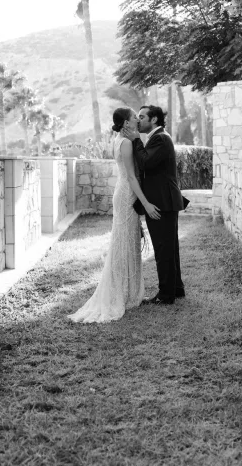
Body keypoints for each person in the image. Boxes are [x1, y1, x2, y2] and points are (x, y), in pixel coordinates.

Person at [68, 107, 161, 323]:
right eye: (133, 118)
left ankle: (128, 291)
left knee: (126, 241)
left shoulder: (118, 140)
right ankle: (122, 293)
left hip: (123, 193)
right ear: (126, 123)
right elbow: (131, 176)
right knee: (124, 243)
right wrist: (146, 203)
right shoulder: (127, 143)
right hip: (128, 194)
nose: (137, 120)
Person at [123, 105, 185, 305]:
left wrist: (135, 141)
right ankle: (176, 289)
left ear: (154, 119)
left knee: (163, 248)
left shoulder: (160, 138)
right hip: (164, 201)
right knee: (169, 247)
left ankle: (166, 295)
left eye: (142, 117)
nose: (138, 121)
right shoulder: (158, 137)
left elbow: (145, 162)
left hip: (161, 203)